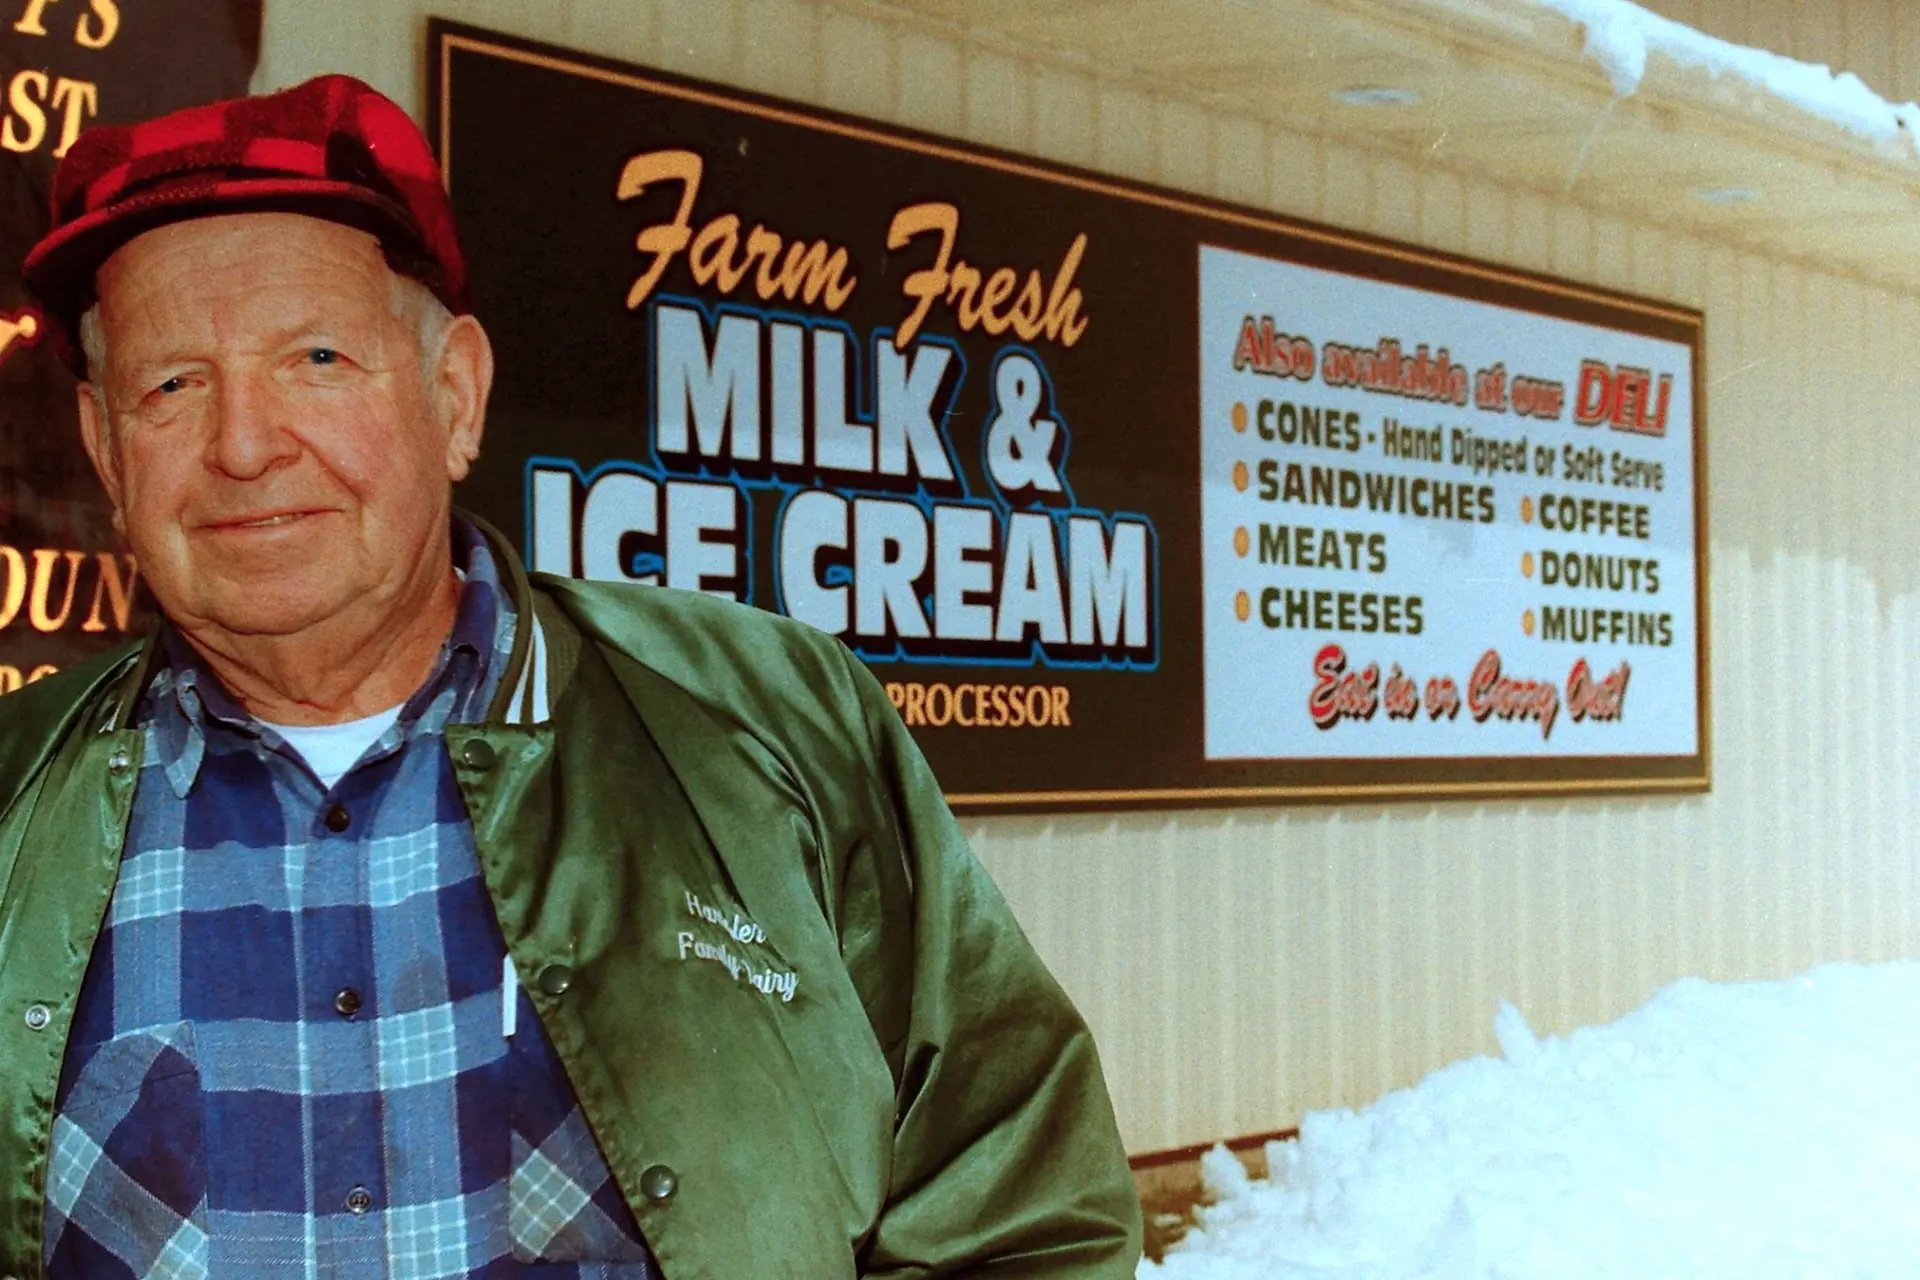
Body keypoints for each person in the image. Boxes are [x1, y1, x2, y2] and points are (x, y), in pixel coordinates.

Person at [0, 75, 1141, 1278]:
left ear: (454, 396)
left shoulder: (768, 728)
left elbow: (1018, 1216)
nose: (242, 443)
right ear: (104, 450)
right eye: (171, 383)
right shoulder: (19, 805)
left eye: (317, 358)